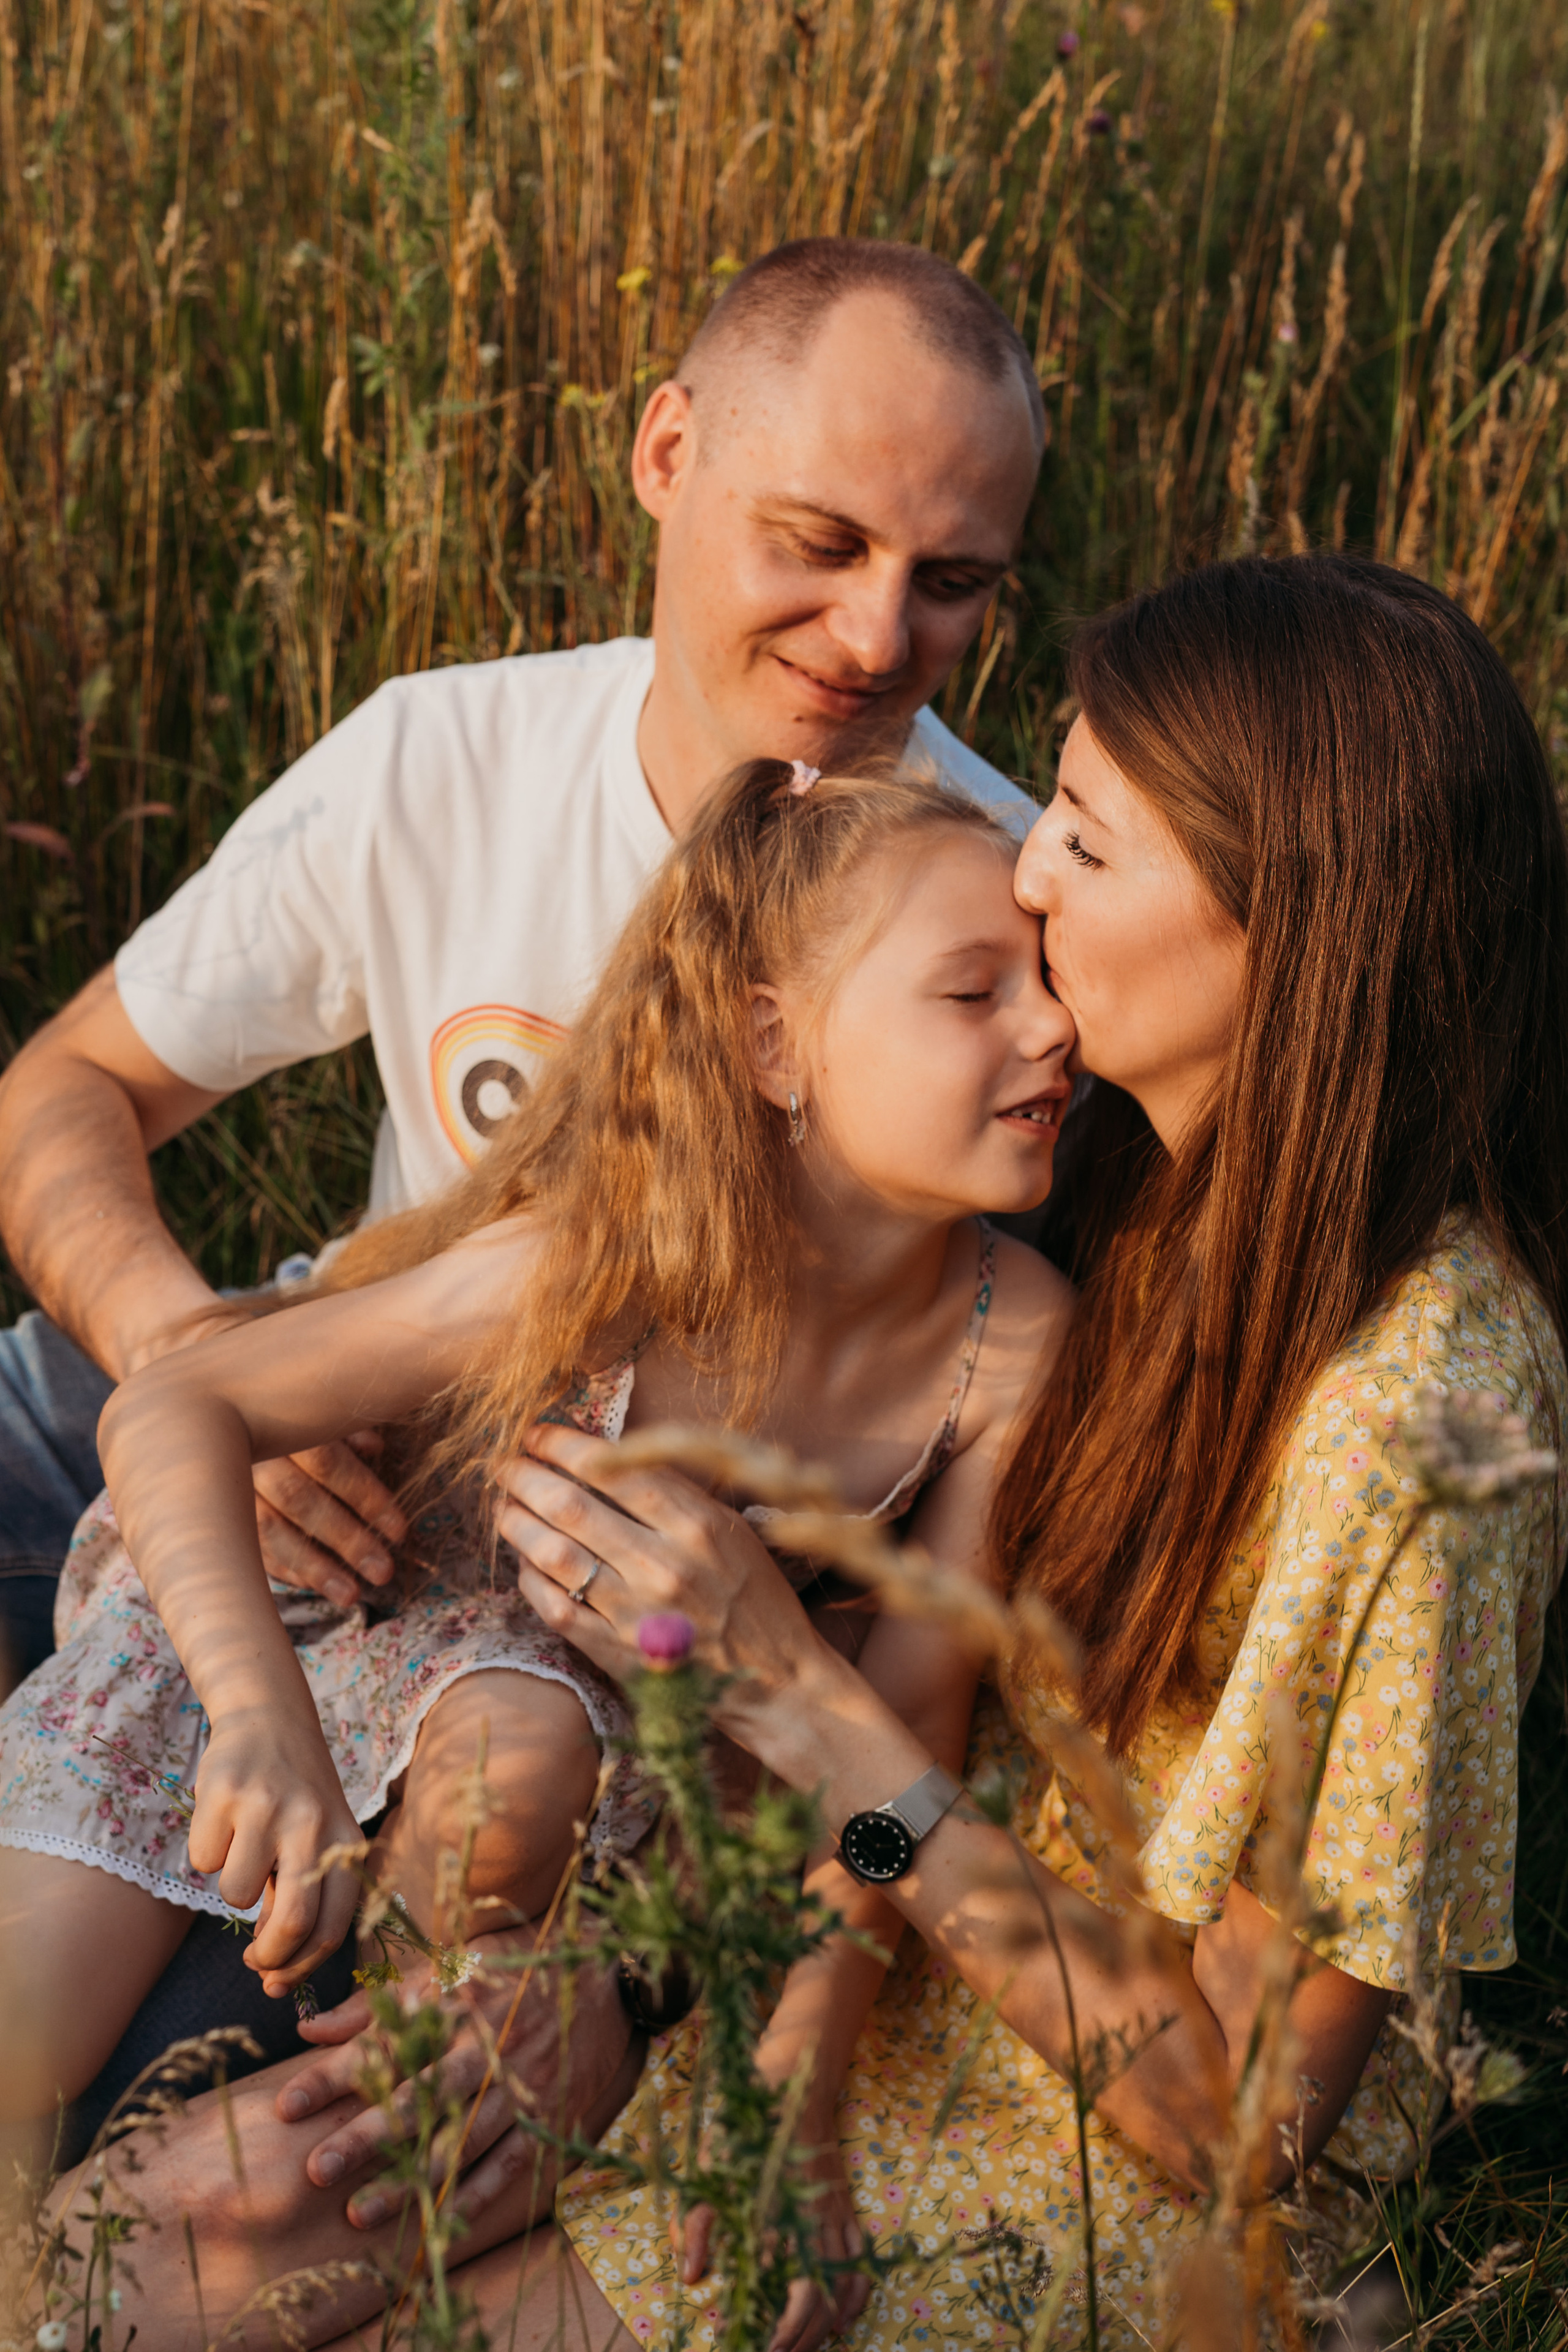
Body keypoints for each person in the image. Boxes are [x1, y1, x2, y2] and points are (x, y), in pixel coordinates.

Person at [377, 552, 1568, 2348]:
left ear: (1292, 921)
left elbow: (1245, 2125)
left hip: (1101, 2144)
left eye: (1084, 840)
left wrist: (794, 1690)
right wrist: (315, 1417)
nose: (1025, 874)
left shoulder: (1420, 1427)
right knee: (216, 2240)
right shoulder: (1130, 1168)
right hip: (866, 1933)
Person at [7, 761, 1076, 2337]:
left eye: (1044, 980)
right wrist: (254, 1710)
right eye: (972, 991)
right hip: (275, 1638)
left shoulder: (1010, 1343)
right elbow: (176, 1402)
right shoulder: (613, 1257)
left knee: (505, 1800)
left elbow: (899, 1756)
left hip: (533, 1757)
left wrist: (809, 2040)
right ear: (775, 1044)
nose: (1050, 1026)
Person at [0, 236, 1046, 1691]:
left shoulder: (1012, 900)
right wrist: (190, 1354)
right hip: (345, 1377)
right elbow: (70, 1083)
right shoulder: (439, 756)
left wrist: (855, 1812)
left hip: (602, 1603)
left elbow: (916, 1746)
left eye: (950, 581)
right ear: (668, 452)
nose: (876, 636)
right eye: (815, 542)